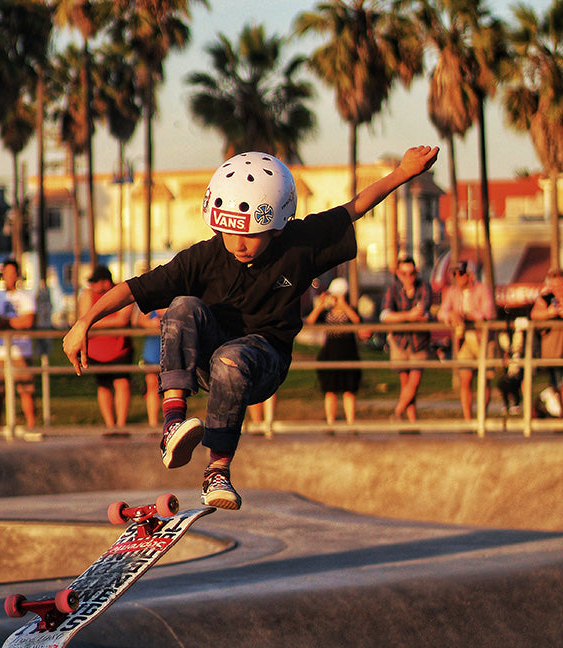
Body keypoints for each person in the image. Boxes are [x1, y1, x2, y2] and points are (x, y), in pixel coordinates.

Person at [63, 144, 439, 510]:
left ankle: (218, 470)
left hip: (264, 363)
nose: (238, 244)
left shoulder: (299, 244)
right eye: (230, 233)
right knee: (181, 307)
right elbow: (134, 287)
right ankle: (172, 422)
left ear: (277, 228)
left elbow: (354, 207)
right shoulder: (204, 256)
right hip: (209, 360)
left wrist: (403, 173)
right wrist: (84, 322)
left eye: (250, 236)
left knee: (232, 356)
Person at [437, 260, 497, 420]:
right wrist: (451, 315)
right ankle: (468, 418)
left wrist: (467, 315)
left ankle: (481, 417)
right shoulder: (452, 292)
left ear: (470, 276)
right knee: (466, 378)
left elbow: (487, 313)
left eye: (460, 274)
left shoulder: (482, 290)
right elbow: (441, 312)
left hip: (483, 339)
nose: (456, 277)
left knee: (485, 379)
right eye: (454, 274)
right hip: (464, 340)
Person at [78, 265, 134, 430]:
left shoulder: (121, 291)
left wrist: (94, 322)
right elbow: (83, 319)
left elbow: (122, 320)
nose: (93, 286)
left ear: (106, 282)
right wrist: (94, 322)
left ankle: (121, 425)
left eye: (96, 282)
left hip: (120, 348)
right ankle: (110, 426)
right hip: (97, 351)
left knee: (122, 383)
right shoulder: (88, 294)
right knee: (104, 386)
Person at [0, 258, 37, 430]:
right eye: (7, 273)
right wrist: (14, 322)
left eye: (13, 273)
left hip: (21, 351)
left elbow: (28, 321)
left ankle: (31, 424)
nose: (10, 276)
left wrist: (5, 322)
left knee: (26, 390)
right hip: (0, 352)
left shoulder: (25, 297)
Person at [379, 255, 433, 423]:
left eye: (412, 273)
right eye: (404, 274)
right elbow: (385, 315)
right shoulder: (392, 289)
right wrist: (409, 315)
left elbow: (422, 312)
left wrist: (401, 317)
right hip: (399, 341)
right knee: (405, 383)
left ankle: (397, 412)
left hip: (419, 341)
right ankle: (411, 421)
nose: (408, 277)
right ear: (398, 273)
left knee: (414, 382)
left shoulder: (424, 286)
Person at [305, 276, 362, 425]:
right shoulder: (326, 313)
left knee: (349, 391)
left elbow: (358, 322)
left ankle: (351, 423)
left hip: (348, 354)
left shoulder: (351, 310)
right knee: (330, 391)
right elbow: (310, 321)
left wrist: (345, 306)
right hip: (330, 353)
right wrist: (320, 305)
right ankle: (330, 422)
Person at [530, 268, 563, 413]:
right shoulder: (546, 298)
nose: (557, 289)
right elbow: (534, 314)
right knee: (557, 385)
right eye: (554, 285)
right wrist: (550, 313)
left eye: (560, 285)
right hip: (553, 349)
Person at [133, 306, 162, 427]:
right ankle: (153, 423)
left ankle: (173, 422)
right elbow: (138, 321)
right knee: (152, 385)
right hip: (153, 349)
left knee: (173, 386)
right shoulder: (153, 303)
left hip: (172, 349)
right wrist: (152, 324)